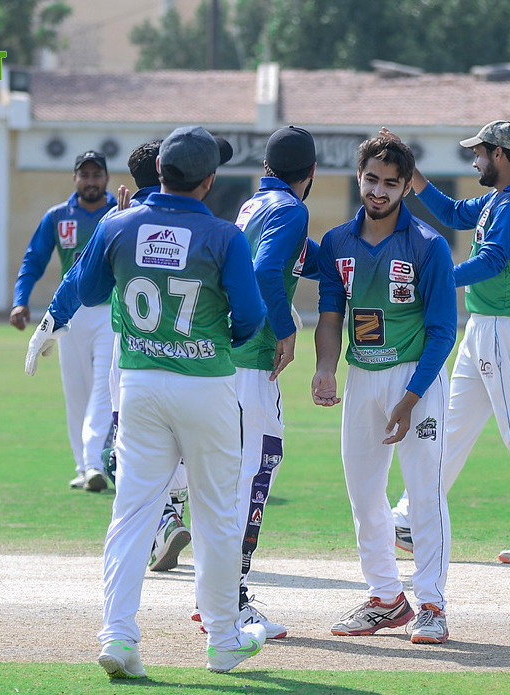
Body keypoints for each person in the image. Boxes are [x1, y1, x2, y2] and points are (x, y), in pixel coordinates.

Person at [27, 126, 268, 677]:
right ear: (208, 181)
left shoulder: (118, 223)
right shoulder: (225, 236)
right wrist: (214, 342)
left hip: (138, 383)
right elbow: (251, 317)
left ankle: (118, 636)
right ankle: (223, 640)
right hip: (205, 386)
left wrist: (52, 318)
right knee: (216, 513)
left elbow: (88, 289)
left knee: (132, 513)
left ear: (159, 172)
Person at [383, 122, 510, 565]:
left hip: (505, 328)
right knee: (450, 426)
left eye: (479, 153)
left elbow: (491, 261)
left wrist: (436, 280)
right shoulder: (500, 198)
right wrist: (412, 173)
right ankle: (411, 518)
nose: (474, 161)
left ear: (500, 155)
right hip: (486, 326)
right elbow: (453, 214)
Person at [312, 135, 457, 644]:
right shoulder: (336, 243)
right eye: (371, 179)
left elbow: (443, 331)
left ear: (406, 187)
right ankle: (385, 598)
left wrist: (410, 398)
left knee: (424, 493)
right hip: (362, 377)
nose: (378, 191)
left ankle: (432, 604)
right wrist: (326, 367)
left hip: (416, 378)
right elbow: (331, 314)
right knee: (364, 493)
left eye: (391, 183)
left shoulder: (428, 245)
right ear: (359, 177)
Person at [190, 125, 320, 639]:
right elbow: (267, 271)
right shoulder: (291, 208)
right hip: (252, 365)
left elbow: (289, 260)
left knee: (229, 481)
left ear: (267, 167)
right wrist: (286, 329)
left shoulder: (253, 205)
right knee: (253, 477)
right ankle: (231, 602)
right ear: (312, 172)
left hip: (225, 361)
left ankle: (213, 597)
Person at [11, 151, 117, 492]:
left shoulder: (119, 212)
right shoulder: (58, 216)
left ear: (107, 178)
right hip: (70, 313)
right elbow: (34, 259)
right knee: (76, 391)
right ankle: (84, 466)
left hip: (109, 312)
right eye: (84, 175)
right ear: (74, 178)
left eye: (97, 175)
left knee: (103, 390)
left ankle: (95, 462)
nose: (91, 181)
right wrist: (20, 300)